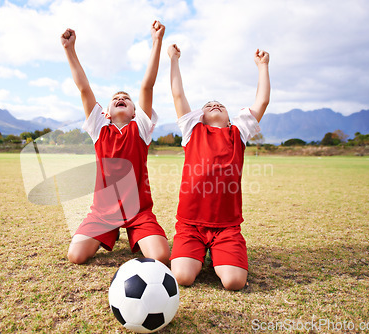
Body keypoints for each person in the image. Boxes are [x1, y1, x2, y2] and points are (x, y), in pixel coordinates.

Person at [61, 21, 170, 265]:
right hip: (103, 213)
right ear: (106, 112)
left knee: (161, 257)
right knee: (76, 256)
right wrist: (69, 49)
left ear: (135, 112)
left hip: (138, 213)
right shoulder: (99, 129)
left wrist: (156, 42)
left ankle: (134, 232)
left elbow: (147, 85)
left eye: (127, 99)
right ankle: (109, 231)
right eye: (115, 98)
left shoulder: (140, 128)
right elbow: (83, 88)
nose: (121, 98)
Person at [167, 43, 270, 290]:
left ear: (230, 117)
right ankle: (199, 251)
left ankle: (218, 252)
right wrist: (173, 59)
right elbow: (178, 95)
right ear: (199, 116)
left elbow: (262, 101)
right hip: (190, 225)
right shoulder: (193, 131)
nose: (215, 104)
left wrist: (263, 66)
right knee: (182, 277)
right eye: (208, 104)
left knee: (234, 282)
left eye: (220, 105)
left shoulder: (239, 132)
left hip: (227, 227)